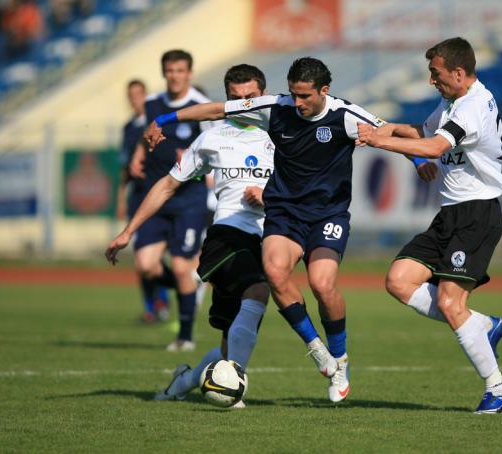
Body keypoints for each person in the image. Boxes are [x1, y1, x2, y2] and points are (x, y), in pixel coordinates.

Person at [144, 57, 435, 402]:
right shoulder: (276, 106)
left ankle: (340, 358)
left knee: (322, 284)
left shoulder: (345, 116)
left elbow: (392, 130)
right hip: (283, 211)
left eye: (304, 97)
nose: (296, 103)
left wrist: (417, 160)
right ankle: (318, 351)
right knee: (274, 272)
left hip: (328, 215)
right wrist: (164, 118)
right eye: (293, 94)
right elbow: (216, 110)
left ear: (324, 91)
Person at [357, 37, 502, 414]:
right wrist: (386, 127)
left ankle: (499, 388)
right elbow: (423, 132)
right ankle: (481, 325)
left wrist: (381, 143)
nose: (431, 80)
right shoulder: (454, 101)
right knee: (399, 280)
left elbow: (433, 148)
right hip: (450, 214)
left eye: (436, 73)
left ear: (459, 73)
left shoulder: (473, 106)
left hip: (477, 215)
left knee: (448, 301)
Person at [106, 64, 273, 407]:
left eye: (251, 98)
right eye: (235, 99)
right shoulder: (212, 138)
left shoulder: (281, 134)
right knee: (258, 290)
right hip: (228, 233)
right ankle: (233, 383)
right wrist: (127, 232)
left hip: (270, 237)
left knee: (230, 341)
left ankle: (183, 383)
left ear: (264, 94)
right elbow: (166, 186)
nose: (244, 105)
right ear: (226, 100)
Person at [127, 49, 213, 352]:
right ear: (164, 73)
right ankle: (187, 288)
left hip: (189, 197)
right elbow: (146, 135)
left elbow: (214, 146)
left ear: (189, 73)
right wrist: (138, 156)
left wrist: (193, 162)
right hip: (157, 194)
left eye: (180, 70)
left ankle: (185, 336)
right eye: (170, 70)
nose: (174, 75)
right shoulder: (153, 104)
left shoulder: (203, 107)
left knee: (180, 266)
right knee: (145, 265)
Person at [116, 79, 170, 324]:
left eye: (138, 94)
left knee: (166, 257)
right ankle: (153, 306)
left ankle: (169, 295)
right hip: (138, 196)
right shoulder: (128, 127)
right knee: (143, 259)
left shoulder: (158, 122)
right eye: (131, 95)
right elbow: (124, 167)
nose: (134, 99)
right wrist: (121, 198)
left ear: (145, 96)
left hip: (160, 193)